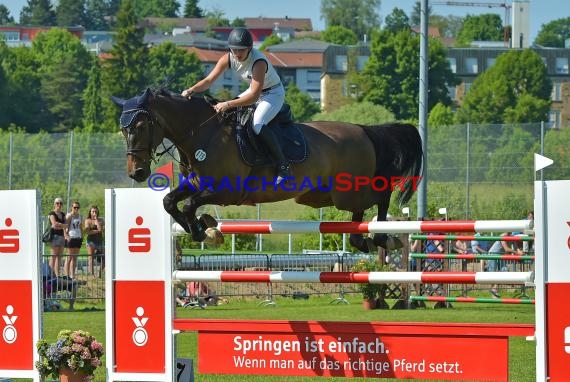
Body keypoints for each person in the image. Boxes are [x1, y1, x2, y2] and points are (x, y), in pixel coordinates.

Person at [181, 27, 291, 184]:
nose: (237, 54)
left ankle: (284, 166)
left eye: (241, 50)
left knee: (257, 123)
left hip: (272, 93)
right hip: (255, 90)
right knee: (229, 116)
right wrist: (191, 90)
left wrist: (227, 103)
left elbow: (253, 96)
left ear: (250, 48)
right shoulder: (228, 58)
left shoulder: (258, 62)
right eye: (234, 50)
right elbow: (208, 81)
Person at [487, 232, 524, 298]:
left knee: (504, 271)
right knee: (491, 274)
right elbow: (506, 249)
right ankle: (493, 293)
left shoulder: (512, 236)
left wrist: (520, 252)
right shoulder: (503, 236)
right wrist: (517, 253)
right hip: (492, 254)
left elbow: (516, 248)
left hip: (500, 255)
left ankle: (494, 289)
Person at [48, 197, 68, 277]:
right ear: (54, 204)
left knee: (59, 257)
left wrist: (60, 225)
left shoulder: (63, 214)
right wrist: (62, 225)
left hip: (62, 236)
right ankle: (49, 274)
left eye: (60, 203)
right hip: (55, 236)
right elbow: (54, 224)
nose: (59, 205)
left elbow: (66, 225)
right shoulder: (52, 213)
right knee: (53, 256)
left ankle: (57, 274)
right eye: (57, 203)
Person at [64, 201, 83, 280]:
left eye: (77, 207)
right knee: (69, 257)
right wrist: (66, 235)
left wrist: (82, 235)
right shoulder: (69, 216)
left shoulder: (79, 216)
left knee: (75, 258)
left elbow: (80, 226)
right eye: (75, 207)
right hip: (71, 237)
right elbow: (65, 227)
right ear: (71, 207)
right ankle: (66, 275)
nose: (76, 209)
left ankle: (73, 275)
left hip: (78, 237)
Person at [84, 205, 104, 275]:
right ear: (90, 212)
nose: (94, 213)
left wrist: (96, 220)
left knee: (104, 257)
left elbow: (101, 229)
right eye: (93, 211)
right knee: (91, 258)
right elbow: (88, 232)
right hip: (90, 241)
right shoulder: (87, 220)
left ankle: (100, 273)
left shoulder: (101, 220)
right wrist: (98, 231)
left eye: (95, 211)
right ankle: (92, 274)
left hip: (99, 241)